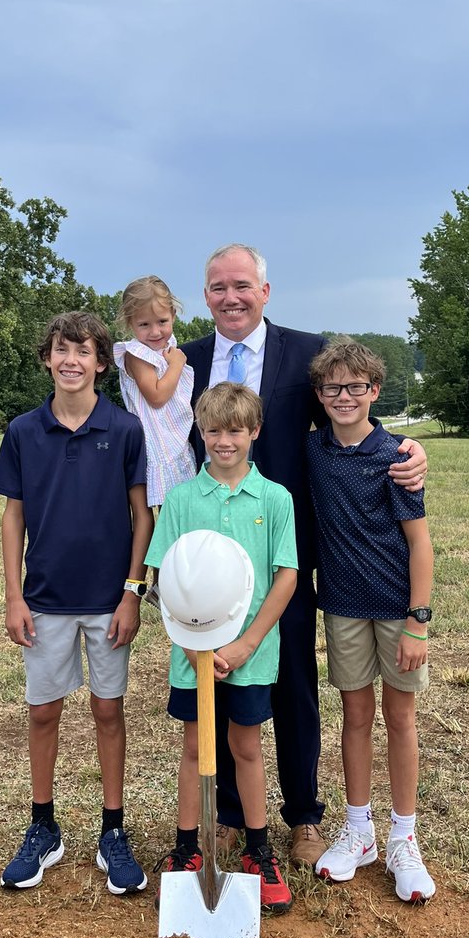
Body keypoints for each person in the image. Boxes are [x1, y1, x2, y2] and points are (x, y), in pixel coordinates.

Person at [182, 244, 429, 867]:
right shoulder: (184, 363)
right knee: (219, 680)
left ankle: (303, 816)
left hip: (287, 553)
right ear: (205, 296)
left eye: (242, 284)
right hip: (210, 553)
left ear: (266, 291)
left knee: (293, 681)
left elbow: (353, 419)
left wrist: (413, 452)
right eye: (217, 287)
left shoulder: (306, 351)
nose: (230, 296)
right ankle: (232, 815)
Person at [0, 311, 154, 895]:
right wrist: (14, 595)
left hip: (109, 602)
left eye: (83, 352)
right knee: (43, 712)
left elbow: (143, 515)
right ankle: (43, 827)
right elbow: (14, 517)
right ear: (47, 359)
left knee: (108, 711)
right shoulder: (24, 431)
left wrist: (133, 592)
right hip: (47, 599)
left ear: (101, 363)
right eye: (61, 350)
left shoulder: (125, 428)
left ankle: (113, 830)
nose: (71, 361)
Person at [146, 383, 298, 912]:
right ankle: (188, 847)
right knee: (194, 748)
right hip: (192, 657)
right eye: (213, 430)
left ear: (254, 432)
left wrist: (246, 642)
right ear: (200, 433)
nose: (224, 440)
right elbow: (162, 574)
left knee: (246, 747)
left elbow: (286, 576)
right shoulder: (183, 499)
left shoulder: (276, 498)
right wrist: (195, 648)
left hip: (252, 654)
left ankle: (259, 850)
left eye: (235, 430)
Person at [307, 339, 435, 902]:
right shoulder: (313, 451)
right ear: (320, 395)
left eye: (356, 387)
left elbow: (420, 542)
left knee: (399, 717)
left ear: (374, 391)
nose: (344, 396)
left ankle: (404, 836)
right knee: (354, 716)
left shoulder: (399, 457)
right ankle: (359, 830)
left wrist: (418, 620)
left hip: (395, 607)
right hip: (341, 605)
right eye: (333, 388)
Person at [113, 275, 196, 508]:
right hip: (157, 445)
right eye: (144, 325)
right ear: (130, 323)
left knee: (185, 507)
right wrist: (178, 364)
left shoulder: (167, 348)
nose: (155, 332)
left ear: (173, 316)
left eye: (162, 321)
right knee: (170, 509)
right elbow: (157, 396)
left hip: (175, 440)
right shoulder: (137, 353)